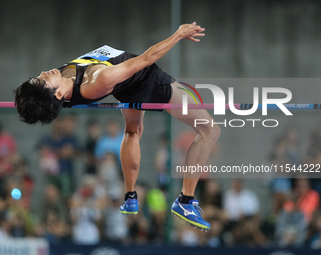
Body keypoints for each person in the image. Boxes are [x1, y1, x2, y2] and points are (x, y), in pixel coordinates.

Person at [14, 22, 220, 230]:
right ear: (57, 94)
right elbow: (147, 58)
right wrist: (178, 34)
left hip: (126, 86)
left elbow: (36, 105)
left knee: (133, 131)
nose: (43, 72)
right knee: (209, 130)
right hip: (149, 82)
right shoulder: (98, 79)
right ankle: (185, 200)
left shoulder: (58, 86)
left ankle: (130, 196)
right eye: (43, 80)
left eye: (38, 77)